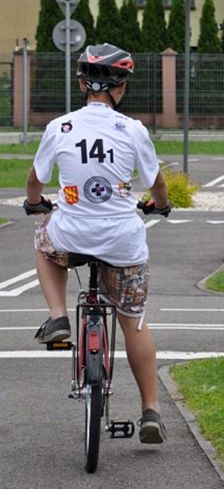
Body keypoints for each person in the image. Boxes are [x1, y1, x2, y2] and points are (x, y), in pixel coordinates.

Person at [24, 43, 171, 445]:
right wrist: (160, 205)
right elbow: (156, 183)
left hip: (72, 236)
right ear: (120, 88)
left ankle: (57, 317)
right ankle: (151, 411)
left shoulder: (60, 126)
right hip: (123, 243)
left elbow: (35, 182)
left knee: (43, 236)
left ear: (81, 84)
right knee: (134, 321)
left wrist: (35, 204)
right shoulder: (134, 130)